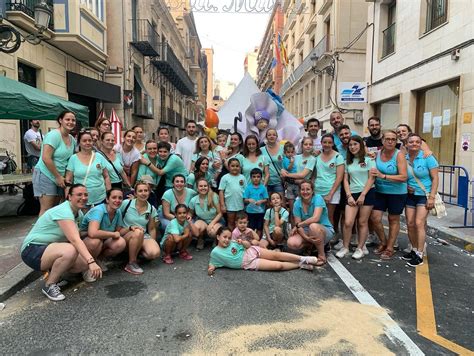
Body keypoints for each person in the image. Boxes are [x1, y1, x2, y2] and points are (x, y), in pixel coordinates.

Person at [20, 184, 102, 301]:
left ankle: (60, 274)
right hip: (32, 250)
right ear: (69, 197)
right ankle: (50, 285)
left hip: (51, 248)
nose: (83, 197)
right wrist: (91, 261)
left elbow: (77, 234)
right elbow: (75, 239)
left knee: (84, 261)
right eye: (79, 194)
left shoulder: (78, 213)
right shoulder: (63, 211)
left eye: (85, 195)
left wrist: (99, 233)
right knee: (71, 250)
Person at [208, 227, 318, 275]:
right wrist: (211, 269)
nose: (227, 240)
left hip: (251, 251)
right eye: (224, 237)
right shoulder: (215, 252)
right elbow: (212, 264)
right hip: (247, 263)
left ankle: (303, 258)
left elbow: (248, 246)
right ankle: (300, 264)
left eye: (229, 237)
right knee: (277, 266)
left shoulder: (233, 242)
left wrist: (242, 242)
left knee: (276, 255)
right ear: (218, 237)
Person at [336, 136, 376, 260]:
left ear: (361, 145)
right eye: (350, 145)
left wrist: (363, 194)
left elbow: (371, 178)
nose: (353, 147)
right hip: (352, 193)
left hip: (367, 192)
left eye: (355, 144)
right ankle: (345, 247)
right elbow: (346, 180)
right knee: (348, 222)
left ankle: (360, 248)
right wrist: (349, 196)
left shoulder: (369, 159)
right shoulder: (348, 161)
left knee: (362, 222)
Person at [370, 130, 408, 260]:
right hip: (380, 191)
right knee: (375, 218)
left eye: (393, 139)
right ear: (382, 141)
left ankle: (390, 247)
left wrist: (383, 176)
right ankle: (383, 241)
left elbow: (404, 176)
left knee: (393, 219)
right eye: (388, 139)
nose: (390, 141)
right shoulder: (377, 154)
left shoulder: (399, 155)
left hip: (397, 193)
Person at [403, 133, 439, 267]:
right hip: (410, 195)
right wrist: (406, 186)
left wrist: (432, 197)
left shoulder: (427, 157)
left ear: (420, 144)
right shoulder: (404, 158)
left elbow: (435, 178)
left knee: (419, 223)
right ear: (406, 144)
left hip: (424, 195)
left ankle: (419, 253)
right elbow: (402, 176)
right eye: (411, 142)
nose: (414, 144)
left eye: (417, 142)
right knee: (410, 223)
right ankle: (413, 249)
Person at [33, 111, 77, 216]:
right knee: (46, 209)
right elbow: (46, 158)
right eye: (67, 119)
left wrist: (65, 177)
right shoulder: (53, 135)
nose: (71, 122)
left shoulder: (72, 139)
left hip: (61, 177)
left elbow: (70, 160)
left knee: (55, 209)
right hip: (46, 174)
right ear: (60, 120)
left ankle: (52, 232)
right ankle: (41, 232)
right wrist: (57, 176)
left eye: (73, 120)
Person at [287, 181, 335, 266]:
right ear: (299, 191)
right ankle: (312, 245)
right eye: (302, 189)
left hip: (324, 229)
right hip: (306, 230)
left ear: (312, 191)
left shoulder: (318, 198)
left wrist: (299, 225)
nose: (305, 192)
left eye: (308, 189)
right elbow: (298, 225)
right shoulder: (297, 203)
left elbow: (315, 218)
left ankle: (321, 256)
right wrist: (306, 238)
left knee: (313, 226)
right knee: (291, 243)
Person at [79, 188, 128, 270]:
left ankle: (98, 259)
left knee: (120, 243)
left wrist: (130, 228)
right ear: (107, 199)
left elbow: (118, 231)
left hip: (103, 239)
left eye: (120, 198)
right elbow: (92, 233)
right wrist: (112, 234)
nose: (117, 200)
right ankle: (87, 266)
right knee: (95, 242)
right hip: (87, 239)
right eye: (114, 197)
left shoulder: (118, 211)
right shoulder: (99, 210)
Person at [120, 181, 161, 274]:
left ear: (149, 192)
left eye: (146, 191)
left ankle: (136, 251)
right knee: (138, 232)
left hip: (142, 235)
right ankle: (131, 263)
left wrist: (152, 241)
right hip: (126, 234)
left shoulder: (151, 209)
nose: (143, 193)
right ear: (135, 193)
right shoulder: (126, 203)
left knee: (154, 253)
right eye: (140, 191)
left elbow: (151, 228)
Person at [65, 130, 111, 209]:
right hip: (80, 200)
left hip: (100, 198)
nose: (87, 143)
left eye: (90, 140)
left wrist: (109, 193)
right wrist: (68, 198)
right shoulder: (73, 158)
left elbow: (106, 176)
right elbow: (68, 180)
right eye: (84, 141)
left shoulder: (99, 156)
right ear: (79, 142)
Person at [281, 137, 317, 220]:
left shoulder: (312, 159)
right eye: (306, 144)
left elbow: (302, 175)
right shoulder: (296, 157)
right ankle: (293, 231)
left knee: (303, 211)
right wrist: (282, 171)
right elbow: (286, 167)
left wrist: (287, 175)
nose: (308, 146)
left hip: (303, 188)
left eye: (310, 144)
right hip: (291, 185)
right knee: (293, 211)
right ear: (302, 145)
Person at [313, 133, 344, 229]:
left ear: (333, 144)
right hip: (318, 190)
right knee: (317, 216)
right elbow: (313, 175)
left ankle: (329, 239)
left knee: (329, 216)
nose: (327, 144)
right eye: (324, 142)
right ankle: (318, 237)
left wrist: (330, 194)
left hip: (332, 191)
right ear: (321, 143)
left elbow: (339, 177)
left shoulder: (338, 157)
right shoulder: (316, 157)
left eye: (329, 142)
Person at [188, 178, 224, 250]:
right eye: (201, 186)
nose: (203, 188)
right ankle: (200, 239)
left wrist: (211, 224)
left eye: (205, 186)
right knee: (196, 228)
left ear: (208, 187)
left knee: (213, 232)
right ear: (197, 188)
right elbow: (190, 213)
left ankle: (215, 240)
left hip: (215, 220)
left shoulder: (213, 196)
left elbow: (220, 213)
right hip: (202, 220)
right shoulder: (193, 200)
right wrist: (189, 217)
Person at [243, 168, 268, 237]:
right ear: (250, 178)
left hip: (260, 212)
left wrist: (261, 201)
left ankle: (258, 241)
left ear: (261, 178)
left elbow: (266, 199)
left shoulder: (263, 188)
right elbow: (244, 199)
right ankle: (251, 241)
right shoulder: (248, 188)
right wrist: (249, 200)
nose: (256, 178)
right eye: (254, 177)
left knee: (259, 227)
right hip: (250, 212)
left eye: (258, 177)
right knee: (251, 227)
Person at [261, 129, 285, 196]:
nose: (272, 136)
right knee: (268, 205)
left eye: (274, 135)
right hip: (266, 182)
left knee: (281, 203)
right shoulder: (261, 150)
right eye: (269, 135)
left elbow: (287, 163)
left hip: (279, 182)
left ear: (277, 136)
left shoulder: (283, 148)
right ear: (266, 137)